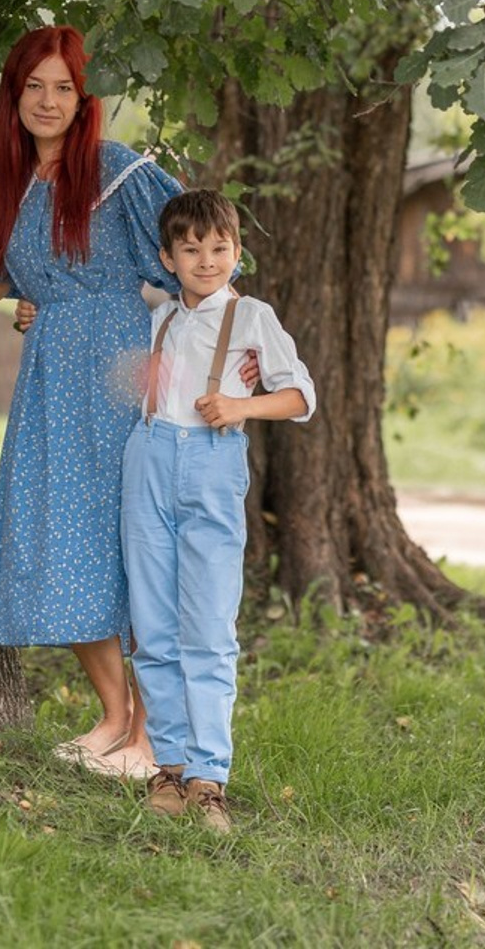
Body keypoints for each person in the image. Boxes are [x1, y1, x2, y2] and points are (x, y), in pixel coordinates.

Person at [0, 24, 184, 779]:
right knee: (66, 537)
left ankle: (152, 738)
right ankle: (114, 719)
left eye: (64, 88)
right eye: (34, 87)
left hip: (121, 366)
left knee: (131, 545)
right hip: (51, 374)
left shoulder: (117, 171)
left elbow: (197, 262)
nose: (49, 101)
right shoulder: (10, 185)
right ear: (13, 95)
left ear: (84, 99)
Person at [122, 190, 316, 832]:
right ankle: (170, 767)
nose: (207, 261)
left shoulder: (253, 315)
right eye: (192, 250)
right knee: (152, 625)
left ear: (236, 252)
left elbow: (299, 396)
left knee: (206, 626)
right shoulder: (158, 317)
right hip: (147, 459)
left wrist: (241, 407)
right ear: (167, 258)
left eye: (220, 248)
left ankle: (210, 777)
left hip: (211, 461)